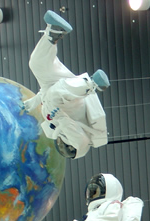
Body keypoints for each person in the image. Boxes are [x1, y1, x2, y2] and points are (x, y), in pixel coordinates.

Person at [24, 10, 110, 159]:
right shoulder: (81, 142)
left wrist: (34, 101)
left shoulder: (52, 128)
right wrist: (61, 118)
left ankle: (53, 33)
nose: (62, 146)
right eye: (67, 149)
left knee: (36, 65)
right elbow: (75, 134)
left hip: (56, 90)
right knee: (54, 95)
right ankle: (92, 84)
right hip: (72, 103)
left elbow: (45, 95)